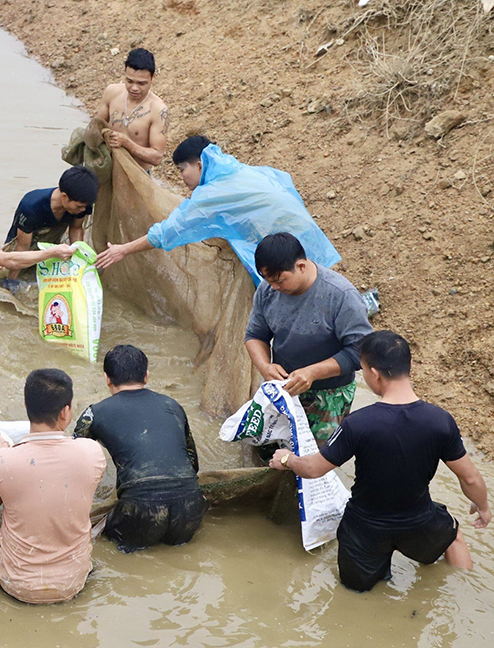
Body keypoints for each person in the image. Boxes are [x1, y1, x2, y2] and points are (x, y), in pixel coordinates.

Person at [269, 330, 490, 592]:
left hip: (365, 529)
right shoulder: (440, 421)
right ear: (408, 367)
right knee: (453, 537)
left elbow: (313, 469)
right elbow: (470, 478)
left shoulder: (358, 424)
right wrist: (483, 506)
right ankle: (462, 593)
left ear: (374, 374)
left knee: (355, 591)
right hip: (418, 522)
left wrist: (286, 458)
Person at [95, 136, 340, 285]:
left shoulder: (211, 193)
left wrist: (123, 249)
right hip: (304, 228)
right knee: (317, 278)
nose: (181, 177)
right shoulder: (237, 169)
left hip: (287, 240)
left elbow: (168, 232)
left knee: (297, 286)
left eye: (182, 170)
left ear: (199, 165)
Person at [0, 369, 106, 604]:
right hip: (73, 582)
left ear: (26, 405)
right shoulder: (92, 453)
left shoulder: (0, 461)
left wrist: (0, 450)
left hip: (15, 585)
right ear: (66, 412)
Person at [74, 345, 205, 552]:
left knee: (110, 545)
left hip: (139, 510)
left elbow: (73, 461)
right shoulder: (173, 406)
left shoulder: (94, 413)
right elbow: (193, 463)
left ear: (107, 378)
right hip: (191, 508)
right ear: (146, 375)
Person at [243, 233, 372, 442]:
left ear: (301, 266)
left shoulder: (340, 296)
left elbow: (361, 352)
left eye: (280, 280)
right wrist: (265, 367)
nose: (274, 287)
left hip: (328, 394)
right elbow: (255, 335)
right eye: (268, 280)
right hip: (283, 387)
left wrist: (312, 373)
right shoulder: (267, 291)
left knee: (316, 459)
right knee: (270, 451)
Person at [94, 48, 169, 170]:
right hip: (106, 169)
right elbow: (96, 127)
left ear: (153, 78)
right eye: (129, 81)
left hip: (136, 175)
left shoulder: (158, 110)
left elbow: (157, 157)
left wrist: (127, 143)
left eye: (141, 83)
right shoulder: (112, 93)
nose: (134, 88)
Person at [3, 166, 100, 253]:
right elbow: (22, 249)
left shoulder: (82, 203)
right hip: (23, 247)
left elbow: (76, 228)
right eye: (79, 206)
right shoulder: (31, 207)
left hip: (52, 245)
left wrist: (78, 256)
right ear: (64, 197)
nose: (83, 210)